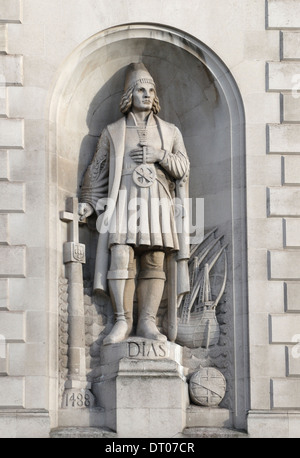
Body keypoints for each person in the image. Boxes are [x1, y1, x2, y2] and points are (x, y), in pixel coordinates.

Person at [78, 63, 190, 345]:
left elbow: (183, 168)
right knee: (120, 256)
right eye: (141, 89)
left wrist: (159, 154)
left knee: (154, 259)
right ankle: (121, 320)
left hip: (157, 202)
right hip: (124, 200)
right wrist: (89, 202)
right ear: (130, 94)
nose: (147, 94)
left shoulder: (170, 132)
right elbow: (97, 169)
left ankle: (148, 322)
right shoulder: (113, 131)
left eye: (151, 90)